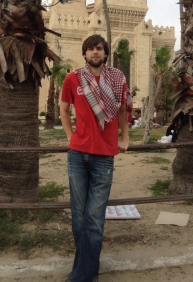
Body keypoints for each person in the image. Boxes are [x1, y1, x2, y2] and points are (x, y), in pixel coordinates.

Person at [60, 34, 132, 282]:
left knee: (94, 217)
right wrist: (71, 137)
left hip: (104, 156)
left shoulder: (117, 79)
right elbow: (63, 109)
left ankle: (80, 275)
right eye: (91, 49)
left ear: (105, 52)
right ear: (84, 53)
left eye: (99, 48)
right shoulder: (73, 78)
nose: (95, 52)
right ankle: (88, 270)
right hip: (77, 155)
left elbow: (123, 110)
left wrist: (125, 138)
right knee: (79, 217)